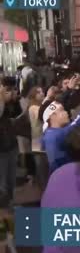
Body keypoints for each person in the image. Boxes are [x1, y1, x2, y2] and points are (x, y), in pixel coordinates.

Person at [41, 76, 80, 172]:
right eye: (62, 111)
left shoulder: (48, 133)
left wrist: (68, 90)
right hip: (66, 175)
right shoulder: (57, 135)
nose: (67, 112)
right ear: (52, 116)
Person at [0, 77, 22, 207]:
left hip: (11, 144)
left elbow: (17, 115)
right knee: (2, 182)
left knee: (11, 178)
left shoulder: (9, 101)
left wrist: (14, 100)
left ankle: (11, 202)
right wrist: (2, 99)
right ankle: (4, 210)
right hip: (1, 148)